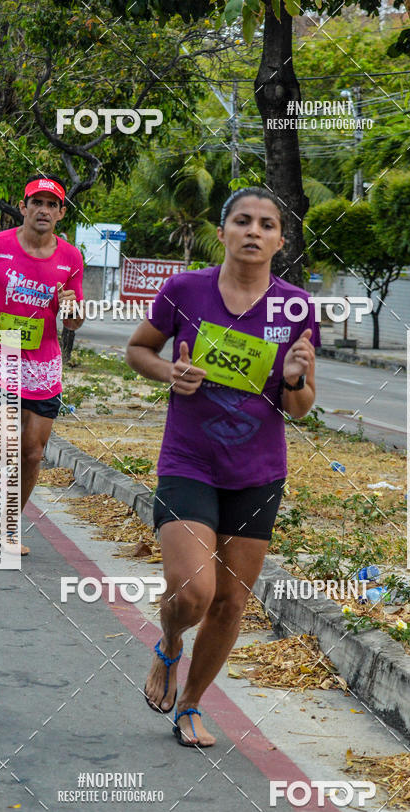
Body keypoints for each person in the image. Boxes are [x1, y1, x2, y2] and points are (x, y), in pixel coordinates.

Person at [126, 187, 320, 747]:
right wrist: (171, 375)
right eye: (242, 221)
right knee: (193, 593)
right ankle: (168, 643)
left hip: (258, 473)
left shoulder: (296, 307)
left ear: (280, 240)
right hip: (189, 461)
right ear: (223, 232)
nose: (253, 231)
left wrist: (292, 379)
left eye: (266, 224)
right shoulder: (185, 289)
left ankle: (190, 705)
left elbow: (300, 407)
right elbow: (139, 350)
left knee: (232, 601)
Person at [0, 174, 84, 554]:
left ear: (60, 213)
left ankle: (10, 525)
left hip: (43, 361)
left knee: (32, 452)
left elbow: (73, 321)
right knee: (4, 442)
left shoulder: (70, 257)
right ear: (23, 208)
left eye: (51, 204)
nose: (43, 210)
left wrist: (70, 305)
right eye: (36, 202)